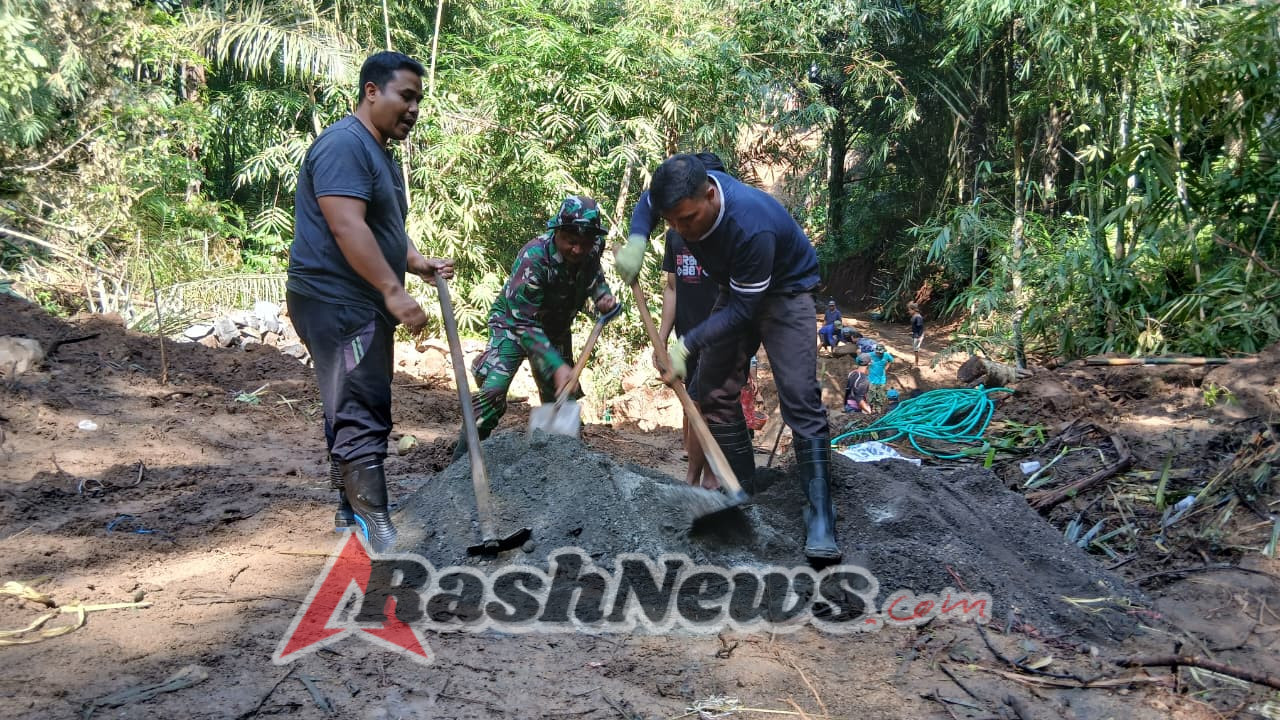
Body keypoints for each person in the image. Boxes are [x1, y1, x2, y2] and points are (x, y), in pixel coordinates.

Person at [617, 153, 840, 563]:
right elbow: (649, 204)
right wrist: (637, 238)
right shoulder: (680, 197)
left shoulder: (750, 225)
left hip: (784, 293)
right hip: (734, 286)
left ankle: (821, 515)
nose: (680, 230)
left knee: (798, 397)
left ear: (710, 194)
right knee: (712, 389)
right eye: (673, 223)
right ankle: (744, 494)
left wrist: (686, 345)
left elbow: (742, 311)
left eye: (687, 219)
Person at [286, 51, 454, 553]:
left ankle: (348, 508)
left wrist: (418, 264)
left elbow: (384, 229)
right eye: (406, 96)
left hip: (352, 300)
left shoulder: (377, 152)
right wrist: (392, 290)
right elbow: (346, 225)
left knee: (346, 396)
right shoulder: (344, 145)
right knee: (362, 400)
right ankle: (378, 525)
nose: (413, 109)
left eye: (419, 100)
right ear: (371, 91)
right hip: (338, 300)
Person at [452, 195, 618, 461]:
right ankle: (461, 464)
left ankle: (561, 468)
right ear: (558, 233)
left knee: (562, 400)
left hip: (555, 328)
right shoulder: (534, 258)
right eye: (571, 242)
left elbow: (593, 275)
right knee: (492, 394)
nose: (577, 250)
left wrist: (602, 296)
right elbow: (523, 324)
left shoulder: (592, 248)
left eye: (584, 244)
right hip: (513, 324)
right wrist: (556, 363)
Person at [654, 152, 728, 491]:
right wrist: (662, 337)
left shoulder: (730, 235)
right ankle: (694, 476)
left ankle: (708, 477)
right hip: (686, 338)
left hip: (719, 336)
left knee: (710, 407)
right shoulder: (676, 234)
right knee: (691, 407)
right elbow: (672, 287)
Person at [867, 343, 894, 410]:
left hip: (881, 380)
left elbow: (891, 360)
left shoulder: (886, 355)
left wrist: (886, 368)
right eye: (879, 353)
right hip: (871, 380)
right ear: (876, 351)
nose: (880, 354)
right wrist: (867, 365)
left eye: (881, 353)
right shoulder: (870, 355)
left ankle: (879, 411)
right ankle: (871, 410)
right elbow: (860, 360)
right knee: (871, 397)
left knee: (881, 397)